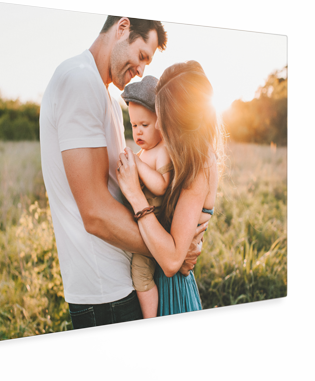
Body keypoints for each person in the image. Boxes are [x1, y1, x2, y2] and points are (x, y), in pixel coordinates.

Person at [40, 16, 207, 330]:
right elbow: (95, 212)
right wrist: (172, 253)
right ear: (122, 28)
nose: (142, 70)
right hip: (107, 293)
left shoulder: (102, 93)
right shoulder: (79, 81)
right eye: (142, 56)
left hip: (119, 282)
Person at [117, 61, 224, 316]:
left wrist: (134, 195)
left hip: (172, 291)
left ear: (179, 122)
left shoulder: (199, 165)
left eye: (162, 120)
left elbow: (173, 260)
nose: (159, 128)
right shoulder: (183, 158)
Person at [121, 75, 172, 319]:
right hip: (141, 224)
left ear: (160, 123)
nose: (138, 131)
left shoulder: (161, 151)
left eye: (145, 125)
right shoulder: (144, 152)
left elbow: (161, 186)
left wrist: (138, 166)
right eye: (134, 126)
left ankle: (150, 319)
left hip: (155, 226)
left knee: (140, 274)